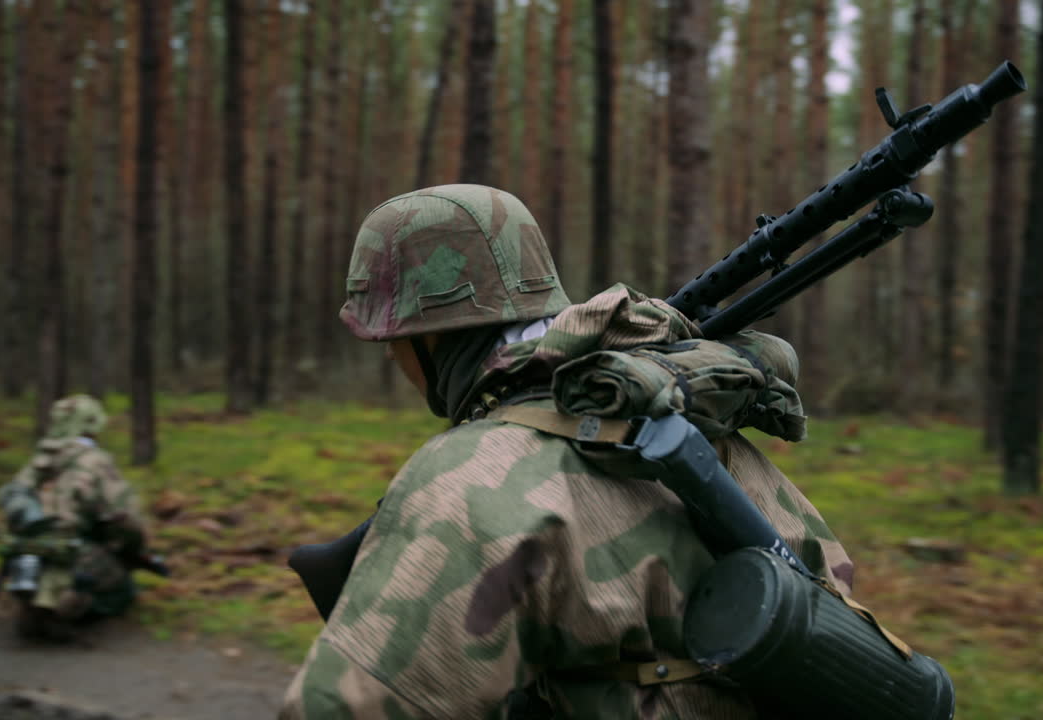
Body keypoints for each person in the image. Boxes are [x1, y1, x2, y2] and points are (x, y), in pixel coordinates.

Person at [280, 185, 855, 718]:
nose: (389, 356)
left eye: (392, 338)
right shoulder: (695, 424)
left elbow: (344, 706)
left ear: (429, 334)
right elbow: (835, 591)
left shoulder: (470, 478)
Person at [0, 394, 151, 641]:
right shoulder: (96, 461)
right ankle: (71, 608)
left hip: (27, 548)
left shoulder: (38, 460)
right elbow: (123, 517)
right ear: (92, 424)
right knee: (123, 590)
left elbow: (11, 497)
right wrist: (133, 548)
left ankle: (38, 601)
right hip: (73, 548)